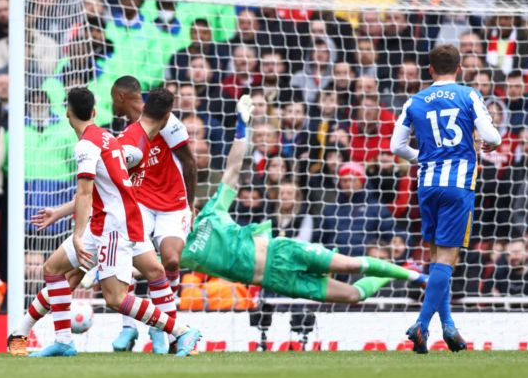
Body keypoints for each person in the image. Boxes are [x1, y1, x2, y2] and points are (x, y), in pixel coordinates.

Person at [181, 95, 427, 316]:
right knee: (354, 295)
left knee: (351, 264)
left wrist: (242, 126)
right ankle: (398, 269)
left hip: (283, 251)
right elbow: (147, 266)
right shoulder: (179, 251)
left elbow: (233, 168)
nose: (185, 211)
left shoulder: (211, 211)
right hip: (275, 280)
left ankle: (414, 274)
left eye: (186, 207)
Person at [18, 88, 202, 358]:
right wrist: (61, 212)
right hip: (120, 219)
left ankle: (180, 332)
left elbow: (86, 191)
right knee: (55, 268)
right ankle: (55, 339)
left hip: (114, 226)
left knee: (114, 297)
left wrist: (77, 234)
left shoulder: (100, 142)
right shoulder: (113, 139)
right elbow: (111, 181)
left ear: (67, 112)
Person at [391, 44, 502, 354]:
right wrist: (494, 143)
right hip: (458, 184)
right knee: (448, 260)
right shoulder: (469, 95)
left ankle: (449, 326)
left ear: (429, 69)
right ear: (460, 67)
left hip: (426, 185)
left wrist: (422, 158)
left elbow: (396, 146)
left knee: (438, 258)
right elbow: (491, 137)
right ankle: (422, 325)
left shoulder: (414, 101)